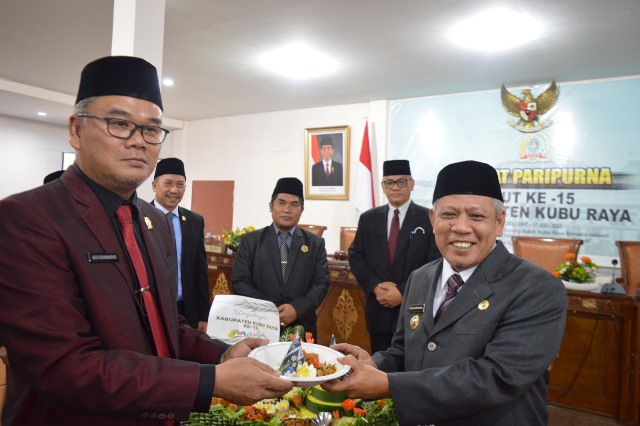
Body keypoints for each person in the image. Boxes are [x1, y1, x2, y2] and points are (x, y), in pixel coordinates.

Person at [0, 56, 292, 425]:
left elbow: (163, 327)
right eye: (119, 124)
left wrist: (223, 354)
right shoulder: (29, 219)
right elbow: (66, 368)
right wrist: (209, 381)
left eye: (151, 129)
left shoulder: (151, 221)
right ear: (76, 130)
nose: (139, 141)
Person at [324, 160, 568, 425]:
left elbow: (496, 378)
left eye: (476, 216)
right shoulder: (420, 278)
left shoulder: (537, 288)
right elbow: (405, 352)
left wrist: (387, 384)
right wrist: (374, 364)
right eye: (449, 214)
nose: (461, 227)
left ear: (499, 222)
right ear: (433, 219)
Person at [348, 159, 440, 353]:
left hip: (414, 310)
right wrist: (375, 286)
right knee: (379, 368)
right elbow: (356, 255)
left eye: (401, 182)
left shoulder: (429, 218)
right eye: (390, 182)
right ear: (383, 186)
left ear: (411, 184)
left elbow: (435, 262)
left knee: (410, 370)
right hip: (377, 308)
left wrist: (402, 291)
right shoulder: (368, 218)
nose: (395, 187)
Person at [232, 177, 330, 339]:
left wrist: (297, 308)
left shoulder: (315, 243)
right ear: (271, 206)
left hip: (302, 326)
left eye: (294, 204)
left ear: (302, 210)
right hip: (258, 325)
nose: (287, 209)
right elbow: (239, 281)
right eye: (281, 202)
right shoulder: (251, 240)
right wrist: (271, 308)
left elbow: (321, 283)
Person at [151, 157, 210, 331]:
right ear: (154, 185)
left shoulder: (194, 221)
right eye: (168, 183)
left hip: (186, 309)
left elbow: (200, 271)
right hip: (152, 309)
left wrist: (203, 315)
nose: (174, 190)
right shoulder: (138, 217)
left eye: (180, 184)